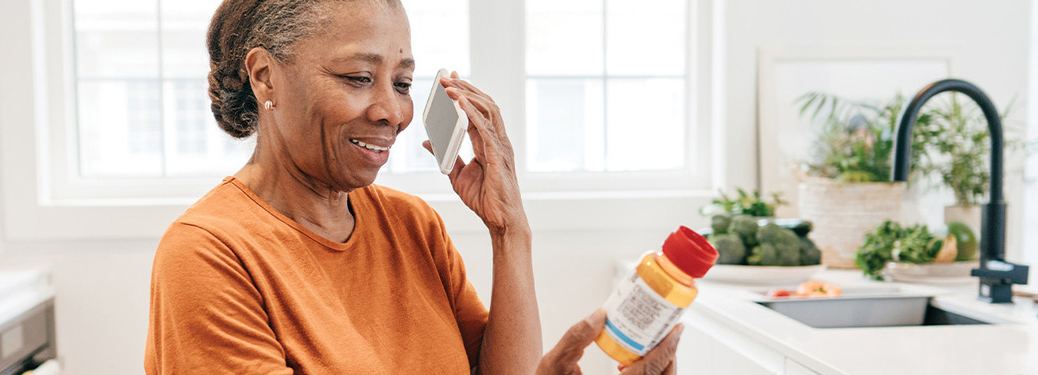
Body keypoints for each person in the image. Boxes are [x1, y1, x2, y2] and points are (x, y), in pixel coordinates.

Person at [143, 0, 679, 374]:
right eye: (357, 78)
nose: (393, 112)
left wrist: (510, 231)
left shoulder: (412, 225)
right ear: (264, 77)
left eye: (402, 83)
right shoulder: (207, 253)